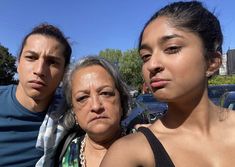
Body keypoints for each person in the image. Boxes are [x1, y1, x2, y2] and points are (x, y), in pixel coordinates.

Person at [100, 1, 235, 167]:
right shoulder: (129, 154)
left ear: (212, 62)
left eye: (171, 48)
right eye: (145, 56)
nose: (152, 65)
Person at [0, 23, 72, 167]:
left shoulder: (72, 113)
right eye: (31, 57)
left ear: (64, 72)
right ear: (18, 62)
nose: (39, 70)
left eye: (52, 62)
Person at [55, 56, 130, 167]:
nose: (96, 106)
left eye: (105, 93)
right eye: (82, 98)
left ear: (122, 100)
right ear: (73, 110)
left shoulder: (146, 145)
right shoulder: (63, 152)